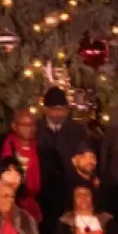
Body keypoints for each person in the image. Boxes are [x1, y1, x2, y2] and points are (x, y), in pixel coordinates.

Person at [36, 86, 89, 221]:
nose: (59, 114)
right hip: (42, 189)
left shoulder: (77, 130)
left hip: (70, 187)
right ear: (46, 110)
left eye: (62, 110)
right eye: (55, 110)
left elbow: (84, 155)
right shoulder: (36, 129)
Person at [0, 105, 46, 220]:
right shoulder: (0, 150)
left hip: (35, 211)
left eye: (33, 125)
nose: (30, 128)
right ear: (14, 126)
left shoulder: (44, 153)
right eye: (25, 125)